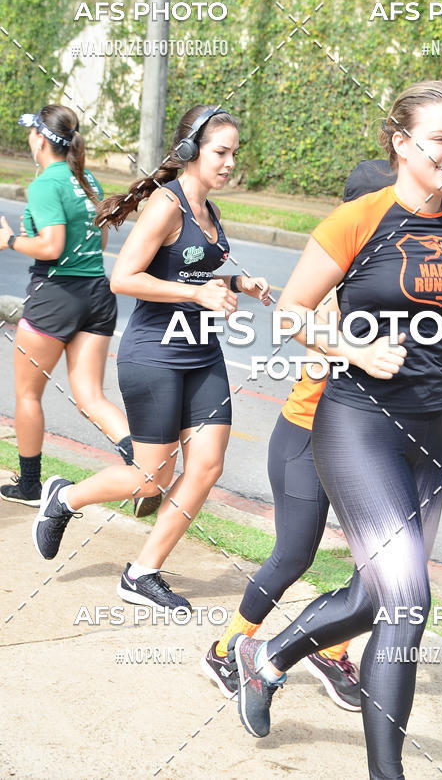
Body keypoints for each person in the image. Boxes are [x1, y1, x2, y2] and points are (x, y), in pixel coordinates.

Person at [227, 81, 442, 779]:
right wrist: (349, 348)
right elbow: (290, 311)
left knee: (381, 596)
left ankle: (268, 658)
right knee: (409, 600)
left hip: (428, 429)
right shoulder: (359, 218)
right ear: (401, 142)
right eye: (440, 138)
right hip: (355, 421)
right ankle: (387, 773)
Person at [30, 104, 271, 611]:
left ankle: (142, 572)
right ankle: (64, 498)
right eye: (220, 152)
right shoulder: (167, 204)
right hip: (154, 356)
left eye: (234, 153)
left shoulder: (210, 209)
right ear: (190, 152)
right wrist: (201, 295)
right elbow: (124, 279)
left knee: (206, 465)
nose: (229, 162)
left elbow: (190, 276)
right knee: (150, 477)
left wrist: (236, 284)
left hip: (201, 351)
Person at [203, 158, 416, 711]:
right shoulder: (340, 277)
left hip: (365, 442)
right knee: (294, 554)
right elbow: (306, 326)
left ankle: (330, 647)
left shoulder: (394, 274)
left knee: (384, 559)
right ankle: (228, 649)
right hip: (305, 433)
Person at [0, 105, 135, 507]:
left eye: (31, 133)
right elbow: (101, 242)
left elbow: (52, 246)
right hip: (97, 293)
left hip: (55, 296)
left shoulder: (45, 184)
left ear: (40, 139)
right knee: (91, 396)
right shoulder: (85, 178)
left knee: (27, 394)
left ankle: (29, 486)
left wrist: (8, 240)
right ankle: (143, 465)